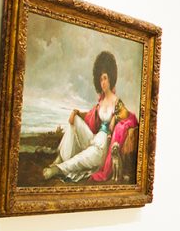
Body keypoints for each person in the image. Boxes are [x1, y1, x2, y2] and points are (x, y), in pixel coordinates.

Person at [43, 51, 138, 183]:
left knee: (83, 157)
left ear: (110, 78)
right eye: (100, 79)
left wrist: (115, 118)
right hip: (94, 139)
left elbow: (128, 116)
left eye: (105, 78)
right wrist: (76, 112)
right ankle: (60, 158)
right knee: (75, 120)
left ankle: (59, 169)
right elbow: (89, 115)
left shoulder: (117, 101)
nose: (102, 82)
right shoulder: (101, 102)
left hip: (103, 146)